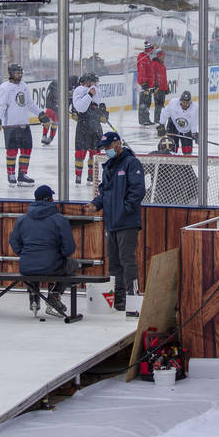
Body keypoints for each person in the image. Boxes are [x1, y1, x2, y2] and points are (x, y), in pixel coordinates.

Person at [92, 131, 145, 314]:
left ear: (117, 144)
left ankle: (133, 298)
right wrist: (96, 204)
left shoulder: (131, 163)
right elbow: (104, 191)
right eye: (104, 148)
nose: (106, 150)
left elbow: (137, 190)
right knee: (114, 263)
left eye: (108, 147)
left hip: (127, 222)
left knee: (127, 260)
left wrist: (125, 209)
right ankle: (119, 300)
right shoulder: (108, 167)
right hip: (111, 222)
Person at [9, 184, 77, 316]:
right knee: (73, 264)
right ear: (50, 199)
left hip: (26, 266)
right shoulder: (59, 220)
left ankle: (34, 294)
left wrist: (24, 253)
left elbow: (14, 243)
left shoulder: (22, 219)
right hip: (52, 265)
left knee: (35, 264)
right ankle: (54, 294)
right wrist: (59, 255)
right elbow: (69, 248)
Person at [0, 64, 50, 186]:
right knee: (12, 151)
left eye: (20, 72)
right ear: (11, 73)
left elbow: (29, 103)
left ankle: (22, 175)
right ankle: (11, 174)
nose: (20, 74)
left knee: (26, 149)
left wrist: (40, 114)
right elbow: (1, 105)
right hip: (11, 125)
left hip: (24, 124)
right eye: (17, 72)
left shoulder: (23, 86)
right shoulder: (5, 87)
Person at [72, 71, 107, 184]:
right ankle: (78, 176)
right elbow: (81, 108)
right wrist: (89, 95)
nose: (96, 84)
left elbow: (97, 105)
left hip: (95, 125)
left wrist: (103, 114)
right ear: (88, 82)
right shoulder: (79, 91)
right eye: (94, 82)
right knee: (81, 152)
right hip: (83, 125)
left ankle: (92, 175)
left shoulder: (96, 90)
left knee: (95, 151)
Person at [162, 90, 199, 155]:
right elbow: (165, 112)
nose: (185, 104)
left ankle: (187, 164)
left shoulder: (194, 108)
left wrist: (194, 133)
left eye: (187, 102)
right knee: (172, 147)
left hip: (186, 129)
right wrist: (161, 124)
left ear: (190, 102)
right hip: (173, 126)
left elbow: (194, 121)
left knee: (187, 150)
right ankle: (171, 163)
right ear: (180, 101)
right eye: (183, 102)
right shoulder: (173, 103)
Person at [136, 40, 157, 125]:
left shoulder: (147, 58)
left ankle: (146, 119)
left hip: (148, 85)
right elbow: (142, 71)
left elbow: (150, 72)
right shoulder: (143, 57)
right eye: (151, 50)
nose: (152, 52)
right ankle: (143, 120)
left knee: (147, 103)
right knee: (144, 103)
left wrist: (152, 84)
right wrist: (144, 83)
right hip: (144, 85)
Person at [150, 49, 170, 126]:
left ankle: (160, 119)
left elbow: (163, 77)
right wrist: (155, 85)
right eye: (162, 55)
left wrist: (166, 87)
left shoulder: (162, 64)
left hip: (162, 88)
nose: (163, 57)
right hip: (158, 88)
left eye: (164, 55)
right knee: (158, 105)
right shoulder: (155, 64)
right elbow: (153, 75)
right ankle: (157, 119)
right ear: (158, 56)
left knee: (161, 104)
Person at [40, 76, 60, 146]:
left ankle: (49, 137)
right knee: (49, 121)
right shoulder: (51, 93)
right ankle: (46, 136)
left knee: (54, 123)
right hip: (53, 109)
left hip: (56, 110)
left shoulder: (55, 90)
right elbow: (48, 104)